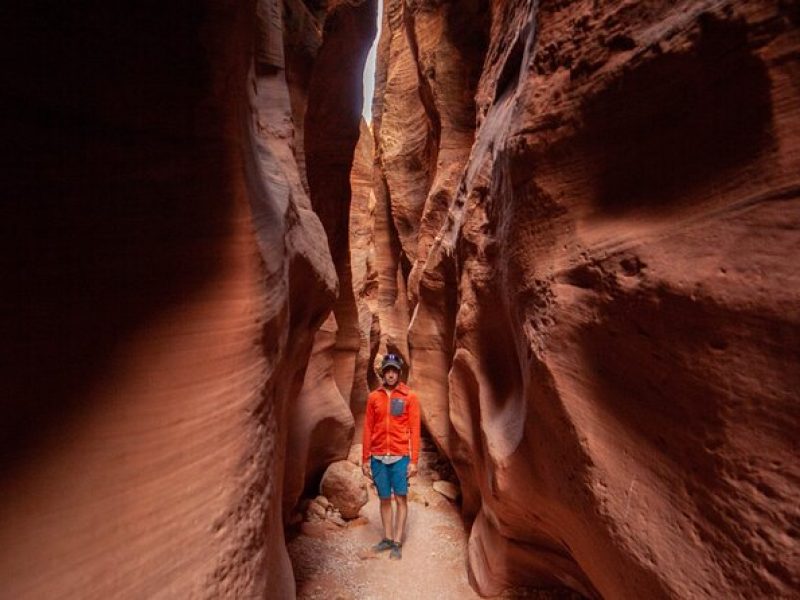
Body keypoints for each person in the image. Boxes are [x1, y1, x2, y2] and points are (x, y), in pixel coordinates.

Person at [361, 352, 421, 560]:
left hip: (400, 455)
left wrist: (414, 461)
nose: (391, 374)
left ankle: (397, 541)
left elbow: (415, 429)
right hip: (378, 456)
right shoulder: (373, 397)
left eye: (394, 370)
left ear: (399, 373)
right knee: (384, 499)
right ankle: (387, 538)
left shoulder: (409, 397)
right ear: (383, 372)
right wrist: (365, 458)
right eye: (387, 370)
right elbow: (368, 428)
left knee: (400, 499)